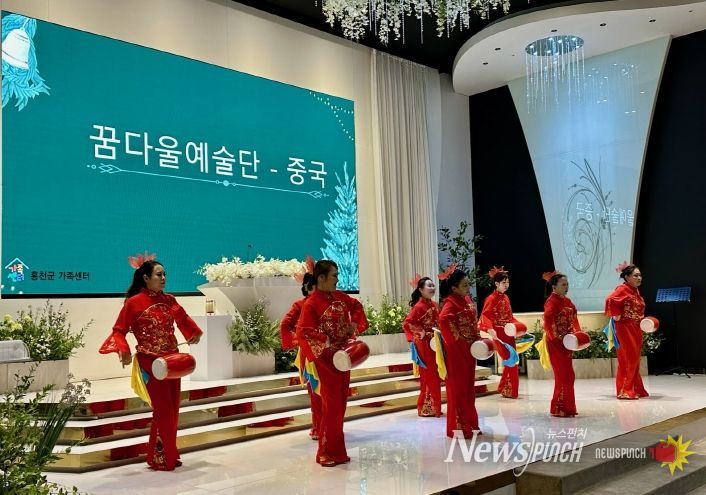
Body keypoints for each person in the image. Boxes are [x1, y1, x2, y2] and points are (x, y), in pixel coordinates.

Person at [99, 254, 202, 471]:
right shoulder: (134, 303)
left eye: (164, 274)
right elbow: (119, 330)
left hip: (171, 361)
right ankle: (164, 456)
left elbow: (183, 320)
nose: (163, 278)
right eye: (158, 275)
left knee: (173, 408)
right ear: (145, 278)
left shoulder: (169, 300)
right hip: (151, 362)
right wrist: (124, 351)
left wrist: (193, 333)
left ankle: (164, 453)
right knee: (163, 409)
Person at [296, 260, 369, 466]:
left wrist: (353, 323)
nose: (337, 279)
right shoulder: (311, 304)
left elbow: (356, 306)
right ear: (321, 278)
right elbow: (303, 331)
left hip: (343, 357)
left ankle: (337, 452)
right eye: (334, 275)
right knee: (331, 406)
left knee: (340, 404)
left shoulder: (339, 297)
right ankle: (325, 452)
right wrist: (324, 340)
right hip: (326, 360)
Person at [279, 258, 321, 440]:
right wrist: (299, 341)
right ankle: (319, 427)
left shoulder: (326, 304)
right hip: (311, 356)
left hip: (326, 352)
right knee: (316, 393)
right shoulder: (301, 305)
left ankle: (325, 426)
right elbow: (285, 324)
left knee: (324, 393)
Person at [438, 267, 481, 438]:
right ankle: (459, 428)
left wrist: (476, 338)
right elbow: (443, 320)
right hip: (457, 353)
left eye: (468, 284)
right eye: (464, 285)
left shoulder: (466, 300)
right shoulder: (450, 303)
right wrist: (459, 340)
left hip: (469, 351)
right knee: (458, 390)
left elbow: (472, 322)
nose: (468, 288)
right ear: (454, 288)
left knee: (469, 389)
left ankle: (470, 424)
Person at [605, 263, 649, 400]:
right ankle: (625, 390)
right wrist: (617, 315)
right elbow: (610, 299)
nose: (639, 278)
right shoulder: (622, 289)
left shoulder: (634, 290)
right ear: (627, 277)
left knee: (634, 359)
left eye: (640, 275)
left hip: (635, 328)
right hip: (625, 328)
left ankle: (635, 388)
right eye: (635, 275)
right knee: (628, 359)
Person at [479, 266, 522, 399]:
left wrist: (518, 327)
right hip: (499, 333)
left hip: (508, 332)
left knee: (512, 360)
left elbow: (510, 316)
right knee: (510, 359)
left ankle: (505, 387)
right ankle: (508, 389)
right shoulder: (491, 299)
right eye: (504, 282)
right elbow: (485, 315)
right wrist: (490, 329)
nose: (506, 284)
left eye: (507, 282)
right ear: (496, 283)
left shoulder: (506, 298)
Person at [403, 275, 442, 417]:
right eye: (429, 286)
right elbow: (408, 323)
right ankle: (426, 407)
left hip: (436, 344)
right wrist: (421, 332)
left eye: (433, 285)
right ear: (421, 289)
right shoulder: (419, 307)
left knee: (435, 375)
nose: (432, 288)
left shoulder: (435, 305)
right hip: (425, 346)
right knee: (428, 376)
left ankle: (434, 406)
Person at [542, 271, 580, 417]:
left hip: (567, 343)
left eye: (567, 284)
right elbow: (548, 322)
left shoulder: (567, 301)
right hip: (556, 344)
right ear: (554, 287)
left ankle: (566, 407)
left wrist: (577, 334)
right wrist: (557, 338)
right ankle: (560, 407)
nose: (566, 287)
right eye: (563, 284)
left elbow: (574, 317)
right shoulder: (551, 302)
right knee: (564, 375)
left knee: (568, 375)